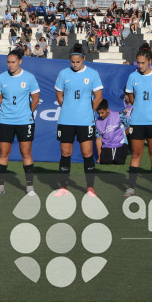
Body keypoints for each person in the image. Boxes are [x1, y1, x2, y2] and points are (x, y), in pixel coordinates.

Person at [55, 42, 103, 195]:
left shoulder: (93, 74)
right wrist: (67, 107)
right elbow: (59, 94)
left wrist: (89, 111)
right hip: (66, 120)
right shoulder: (64, 74)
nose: (75, 64)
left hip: (85, 121)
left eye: (78, 61)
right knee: (65, 152)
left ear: (83, 59)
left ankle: (90, 187)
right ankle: (63, 187)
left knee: (87, 153)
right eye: (72, 62)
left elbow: (98, 97)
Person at [124, 44, 152, 197]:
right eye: (138, 63)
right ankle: (131, 187)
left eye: (143, 62)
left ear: (150, 61)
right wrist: (139, 107)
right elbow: (130, 97)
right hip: (136, 121)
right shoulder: (133, 77)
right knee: (136, 154)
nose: (140, 65)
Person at [0, 47, 40, 195]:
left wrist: (26, 113)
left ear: (20, 61)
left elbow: (36, 99)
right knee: (3, 153)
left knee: (26, 153)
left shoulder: (29, 78)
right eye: (8, 62)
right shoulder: (1, 78)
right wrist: (9, 111)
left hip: (25, 122)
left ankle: (29, 187)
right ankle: (0, 187)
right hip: (5, 121)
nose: (10, 65)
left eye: (13, 62)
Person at [95, 99, 129, 165]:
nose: (100, 115)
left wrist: (125, 136)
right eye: (98, 113)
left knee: (119, 162)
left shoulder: (118, 115)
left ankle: (125, 150)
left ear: (107, 109)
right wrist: (99, 157)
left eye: (102, 113)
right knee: (104, 162)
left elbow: (128, 126)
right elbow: (98, 139)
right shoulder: (97, 122)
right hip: (107, 145)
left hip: (120, 142)